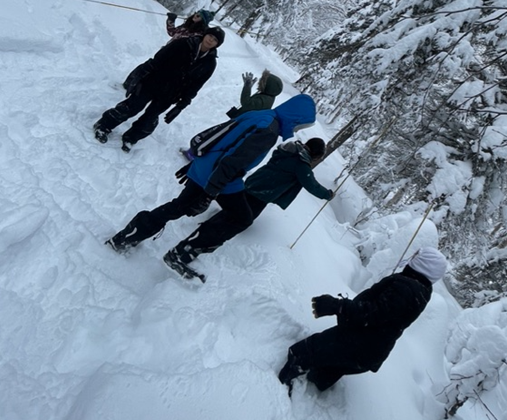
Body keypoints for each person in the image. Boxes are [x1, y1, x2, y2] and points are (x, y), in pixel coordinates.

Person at [105, 94, 318, 278]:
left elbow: (222, 136)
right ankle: (182, 254)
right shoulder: (268, 132)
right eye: (302, 124)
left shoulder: (263, 115)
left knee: (181, 205)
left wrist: (195, 166)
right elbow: (232, 161)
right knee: (242, 218)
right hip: (219, 174)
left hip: (206, 165)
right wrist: (211, 192)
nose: (299, 129)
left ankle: (127, 236)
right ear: (295, 118)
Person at [278, 246, 447, 394]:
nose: (412, 258)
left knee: (302, 352)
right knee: (325, 371)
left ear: (424, 264)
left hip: (357, 343)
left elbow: (373, 314)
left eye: (417, 256)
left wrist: (338, 306)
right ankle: (316, 384)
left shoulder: (406, 289)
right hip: (369, 351)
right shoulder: (420, 289)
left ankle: (278, 391)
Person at [172, 137, 334, 264]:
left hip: (251, 185)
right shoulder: (301, 165)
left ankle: (199, 237)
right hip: (262, 194)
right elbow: (311, 185)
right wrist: (327, 194)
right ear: (315, 154)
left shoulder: (290, 151)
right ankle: (191, 248)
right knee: (237, 221)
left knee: (232, 215)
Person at [94, 28, 224, 151]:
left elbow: (197, 85)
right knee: (132, 106)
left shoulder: (210, 63)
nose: (211, 40)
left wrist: (182, 104)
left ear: (217, 45)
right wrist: (142, 73)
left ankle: (131, 138)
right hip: (153, 82)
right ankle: (103, 126)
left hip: (171, 94)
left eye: (215, 40)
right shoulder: (184, 43)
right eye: (210, 36)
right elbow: (159, 57)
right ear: (205, 34)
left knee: (150, 118)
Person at [123, 10, 214, 94]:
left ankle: (139, 91)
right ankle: (128, 84)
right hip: (166, 51)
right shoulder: (187, 26)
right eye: (196, 13)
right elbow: (172, 32)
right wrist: (171, 20)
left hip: (175, 58)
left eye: (199, 16)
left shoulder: (199, 35)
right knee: (145, 67)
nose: (195, 16)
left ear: (203, 21)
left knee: (153, 73)